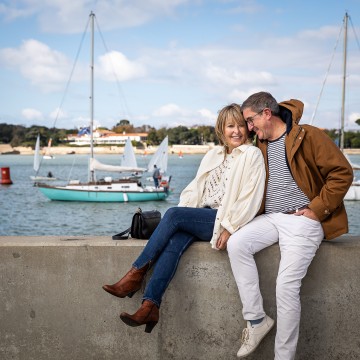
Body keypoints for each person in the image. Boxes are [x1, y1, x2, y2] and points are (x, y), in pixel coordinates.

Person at [102, 103, 266, 333]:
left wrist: (229, 227)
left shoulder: (252, 154)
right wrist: (180, 220)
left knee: (174, 214)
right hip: (203, 214)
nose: (236, 131)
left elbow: (250, 198)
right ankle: (150, 305)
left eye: (240, 125)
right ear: (222, 129)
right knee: (173, 240)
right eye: (230, 126)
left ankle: (135, 274)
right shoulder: (214, 155)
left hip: (223, 219)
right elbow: (194, 190)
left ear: (248, 129)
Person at [227, 92, 353, 359]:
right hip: (270, 218)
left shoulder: (308, 136)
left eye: (250, 121)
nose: (249, 128)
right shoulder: (259, 145)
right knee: (237, 244)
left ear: (266, 114)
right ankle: (257, 320)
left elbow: (342, 172)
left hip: (302, 220)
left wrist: (317, 210)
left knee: (285, 286)